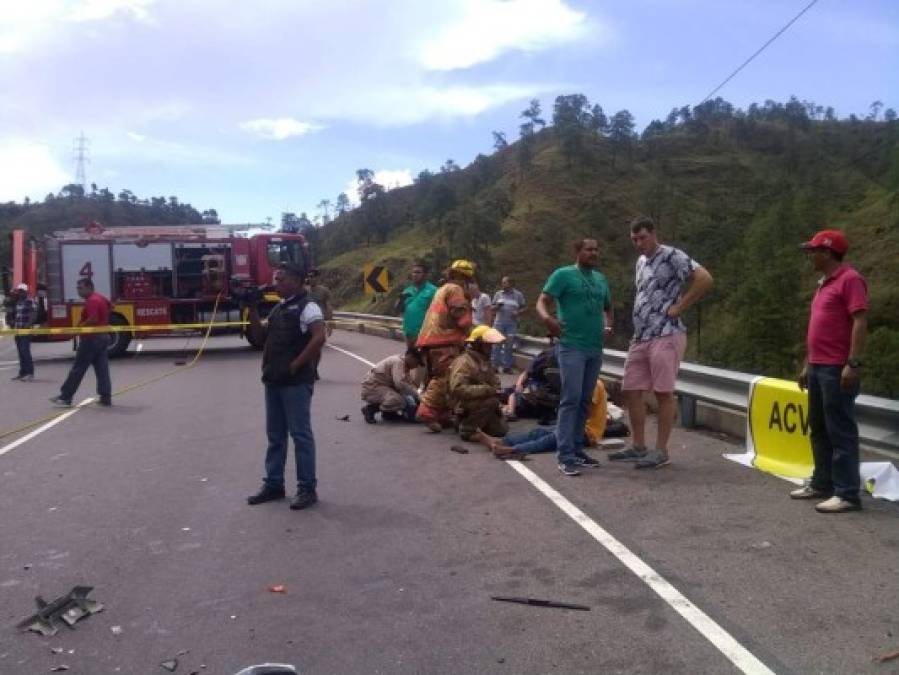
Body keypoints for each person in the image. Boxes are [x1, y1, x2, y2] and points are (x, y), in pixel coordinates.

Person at [612, 216, 713, 469]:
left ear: (654, 234)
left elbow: (704, 279)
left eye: (642, 237)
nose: (639, 243)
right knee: (631, 389)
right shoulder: (641, 261)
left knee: (662, 393)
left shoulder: (672, 255)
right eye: (634, 239)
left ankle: (661, 450)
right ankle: (638, 445)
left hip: (666, 333)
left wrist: (680, 306)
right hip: (642, 335)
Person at [790, 229, 868, 514]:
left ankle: (847, 493)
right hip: (819, 366)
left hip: (837, 367)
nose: (809, 255)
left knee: (840, 430)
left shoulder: (850, 280)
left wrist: (853, 362)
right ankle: (823, 483)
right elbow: (818, 330)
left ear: (827, 252)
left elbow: (859, 321)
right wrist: (807, 363)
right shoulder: (824, 283)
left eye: (813, 250)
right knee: (819, 427)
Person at [246, 262, 326, 511]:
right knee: (275, 436)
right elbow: (259, 338)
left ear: (295, 280)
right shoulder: (278, 309)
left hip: (295, 382)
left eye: (280, 280)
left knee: (300, 435)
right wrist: (250, 308)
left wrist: (296, 365)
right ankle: (274, 484)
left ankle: (306, 488)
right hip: (274, 380)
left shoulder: (308, 307)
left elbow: (319, 337)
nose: (275, 284)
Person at [536, 239, 613, 476]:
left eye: (596, 249)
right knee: (571, 398)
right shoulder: (563, 275)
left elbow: (608, 308)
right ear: (577, 252)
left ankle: (577, 450)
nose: (593, 253)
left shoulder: (601, 279)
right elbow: (542, 301)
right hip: (571, 346)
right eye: (588, 249)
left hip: (594, 348)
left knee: (585, 400)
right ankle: (565, 454)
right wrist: (548, 319)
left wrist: (608, 327)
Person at [414, 260, 475, 431]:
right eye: (468, 279)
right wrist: (471, 329)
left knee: (436, 378)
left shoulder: (442, 289)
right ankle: (426, 412)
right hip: (444, 342)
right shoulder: (456, 289)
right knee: (444, 378)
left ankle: (442, 414)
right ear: (462, 277)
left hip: (430, 341)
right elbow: (460, 314)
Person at [474, 380, 609, 456]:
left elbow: (582, 412)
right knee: (538, 432)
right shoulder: (585, 383)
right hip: (576, 426)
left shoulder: (593, 385)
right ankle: (502, 441)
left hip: (587, 432)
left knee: (550, 439)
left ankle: (512, 450)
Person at [50, 278, 113, 407]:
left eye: (80, 288)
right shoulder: (99, 297)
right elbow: (111, 306)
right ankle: (105, 397)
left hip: (91, 339)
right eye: (78, 288)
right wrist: (104, 321)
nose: (78, 290)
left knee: (78, 368)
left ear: (89, 287)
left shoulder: (92, 301)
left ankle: (65, 397)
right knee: (102, 369)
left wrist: (77, 330)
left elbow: (93, 319)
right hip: (102, 337)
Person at [447, 325, 507, 441]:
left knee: (500, 431)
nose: (490, 348)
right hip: (462, 404)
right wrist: (487, 389)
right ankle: (467, 429)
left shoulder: (484, 361)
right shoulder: (464, 362)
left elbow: (493, 381)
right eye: (487, 345)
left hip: (479, 400)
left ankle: (471, 423)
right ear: (478, 344)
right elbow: (458, 388)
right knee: (491, 402)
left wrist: (496, 388)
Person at [503, 340, 561, 423]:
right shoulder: (575, 358)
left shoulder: (546, 356)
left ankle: (510, 412)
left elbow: (528, 372)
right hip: (558, 401)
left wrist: (519, 385)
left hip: (543, 397)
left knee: (513, 394)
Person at [361, 348, 424, 423]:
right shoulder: (398, 362)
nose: (416, 366)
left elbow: (409, 384)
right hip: (372, 388)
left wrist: (418, 395)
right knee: (399, 401)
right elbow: (400, 384)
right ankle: (370, 409)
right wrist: (417, 395)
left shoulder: (405, 366)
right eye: (417, 362)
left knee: (404, 396)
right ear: (411, 357)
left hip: (381, 387)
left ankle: (388, 413)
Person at [397, 261, 437, 349]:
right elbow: (398, 311)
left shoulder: (433, 291)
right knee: (411, 360)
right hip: (409, 334)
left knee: (425, 360)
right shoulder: (407, 291)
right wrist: (401, 300)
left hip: (425, 334)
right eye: (414, 272)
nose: (415, 274)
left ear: (425, 275)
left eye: (418, 272)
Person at [491, 276, 526, 373]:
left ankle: (507, 367)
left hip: (511, 324)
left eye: (505, 283)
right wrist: (497, 306)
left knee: (509, 345)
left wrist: (518, 313)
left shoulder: (518, 295)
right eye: (502, 282)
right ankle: (495, 366)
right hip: (499, 323)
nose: (502, 284)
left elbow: (524, 308)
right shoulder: (498, 294)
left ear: (511, 284)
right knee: (496, 345)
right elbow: (491, 308)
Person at [305, 269, 333, 379]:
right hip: (306, 323)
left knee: (317, 349)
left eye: (312, 276)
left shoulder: (324, 291)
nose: (310, 279)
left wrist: (330, 324)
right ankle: (308, 369)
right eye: (309, 276)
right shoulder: (304, 291)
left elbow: (328, 306)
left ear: (317, 278)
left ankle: (314, 368)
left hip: (319, 323)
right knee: (305, 347)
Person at [6, 283, 35, 381]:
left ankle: (30, 373)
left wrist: (28, 324)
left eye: (22, 291)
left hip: (25, 330)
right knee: (20, 352)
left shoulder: (29, 301)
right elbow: (16, 314)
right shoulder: (18, 302)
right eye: (19, 291)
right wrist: (12, 322)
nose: (20, 292)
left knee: (25, 351)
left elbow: (33, 313)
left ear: (26, 291)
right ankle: (22, 372)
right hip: (18, 330)